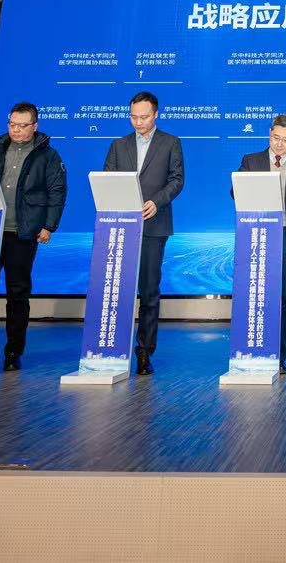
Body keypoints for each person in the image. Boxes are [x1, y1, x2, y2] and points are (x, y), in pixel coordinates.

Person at [0, 101, 67, 372]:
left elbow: (57, 192)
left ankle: (13, 351)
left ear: (34, 126)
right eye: (12, 124)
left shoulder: (48, 156)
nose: (15, 130)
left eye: (22, 125)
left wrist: (49, 226)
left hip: (22, 233)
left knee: (17, 294)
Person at [102, 91, 183, 375]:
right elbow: (107, 179)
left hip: (154, 225)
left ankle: (144, 351)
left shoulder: (170, 143)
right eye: (134, 117)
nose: (138, 122)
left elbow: (177, 180)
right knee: (117, 289)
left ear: (156, 114)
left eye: (144, 117)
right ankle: (112, 346)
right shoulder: (118, 145)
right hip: (120, 226)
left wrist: (156, 201)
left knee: (148, 291)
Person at [233, 114, 286, 374]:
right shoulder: (251, 160)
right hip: (256, 235)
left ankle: (278, 355)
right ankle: (252, 350)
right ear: (269, 134)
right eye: (276, 138)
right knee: (254, 294)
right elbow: (235, 192)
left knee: (282, 297)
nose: (279, 144)